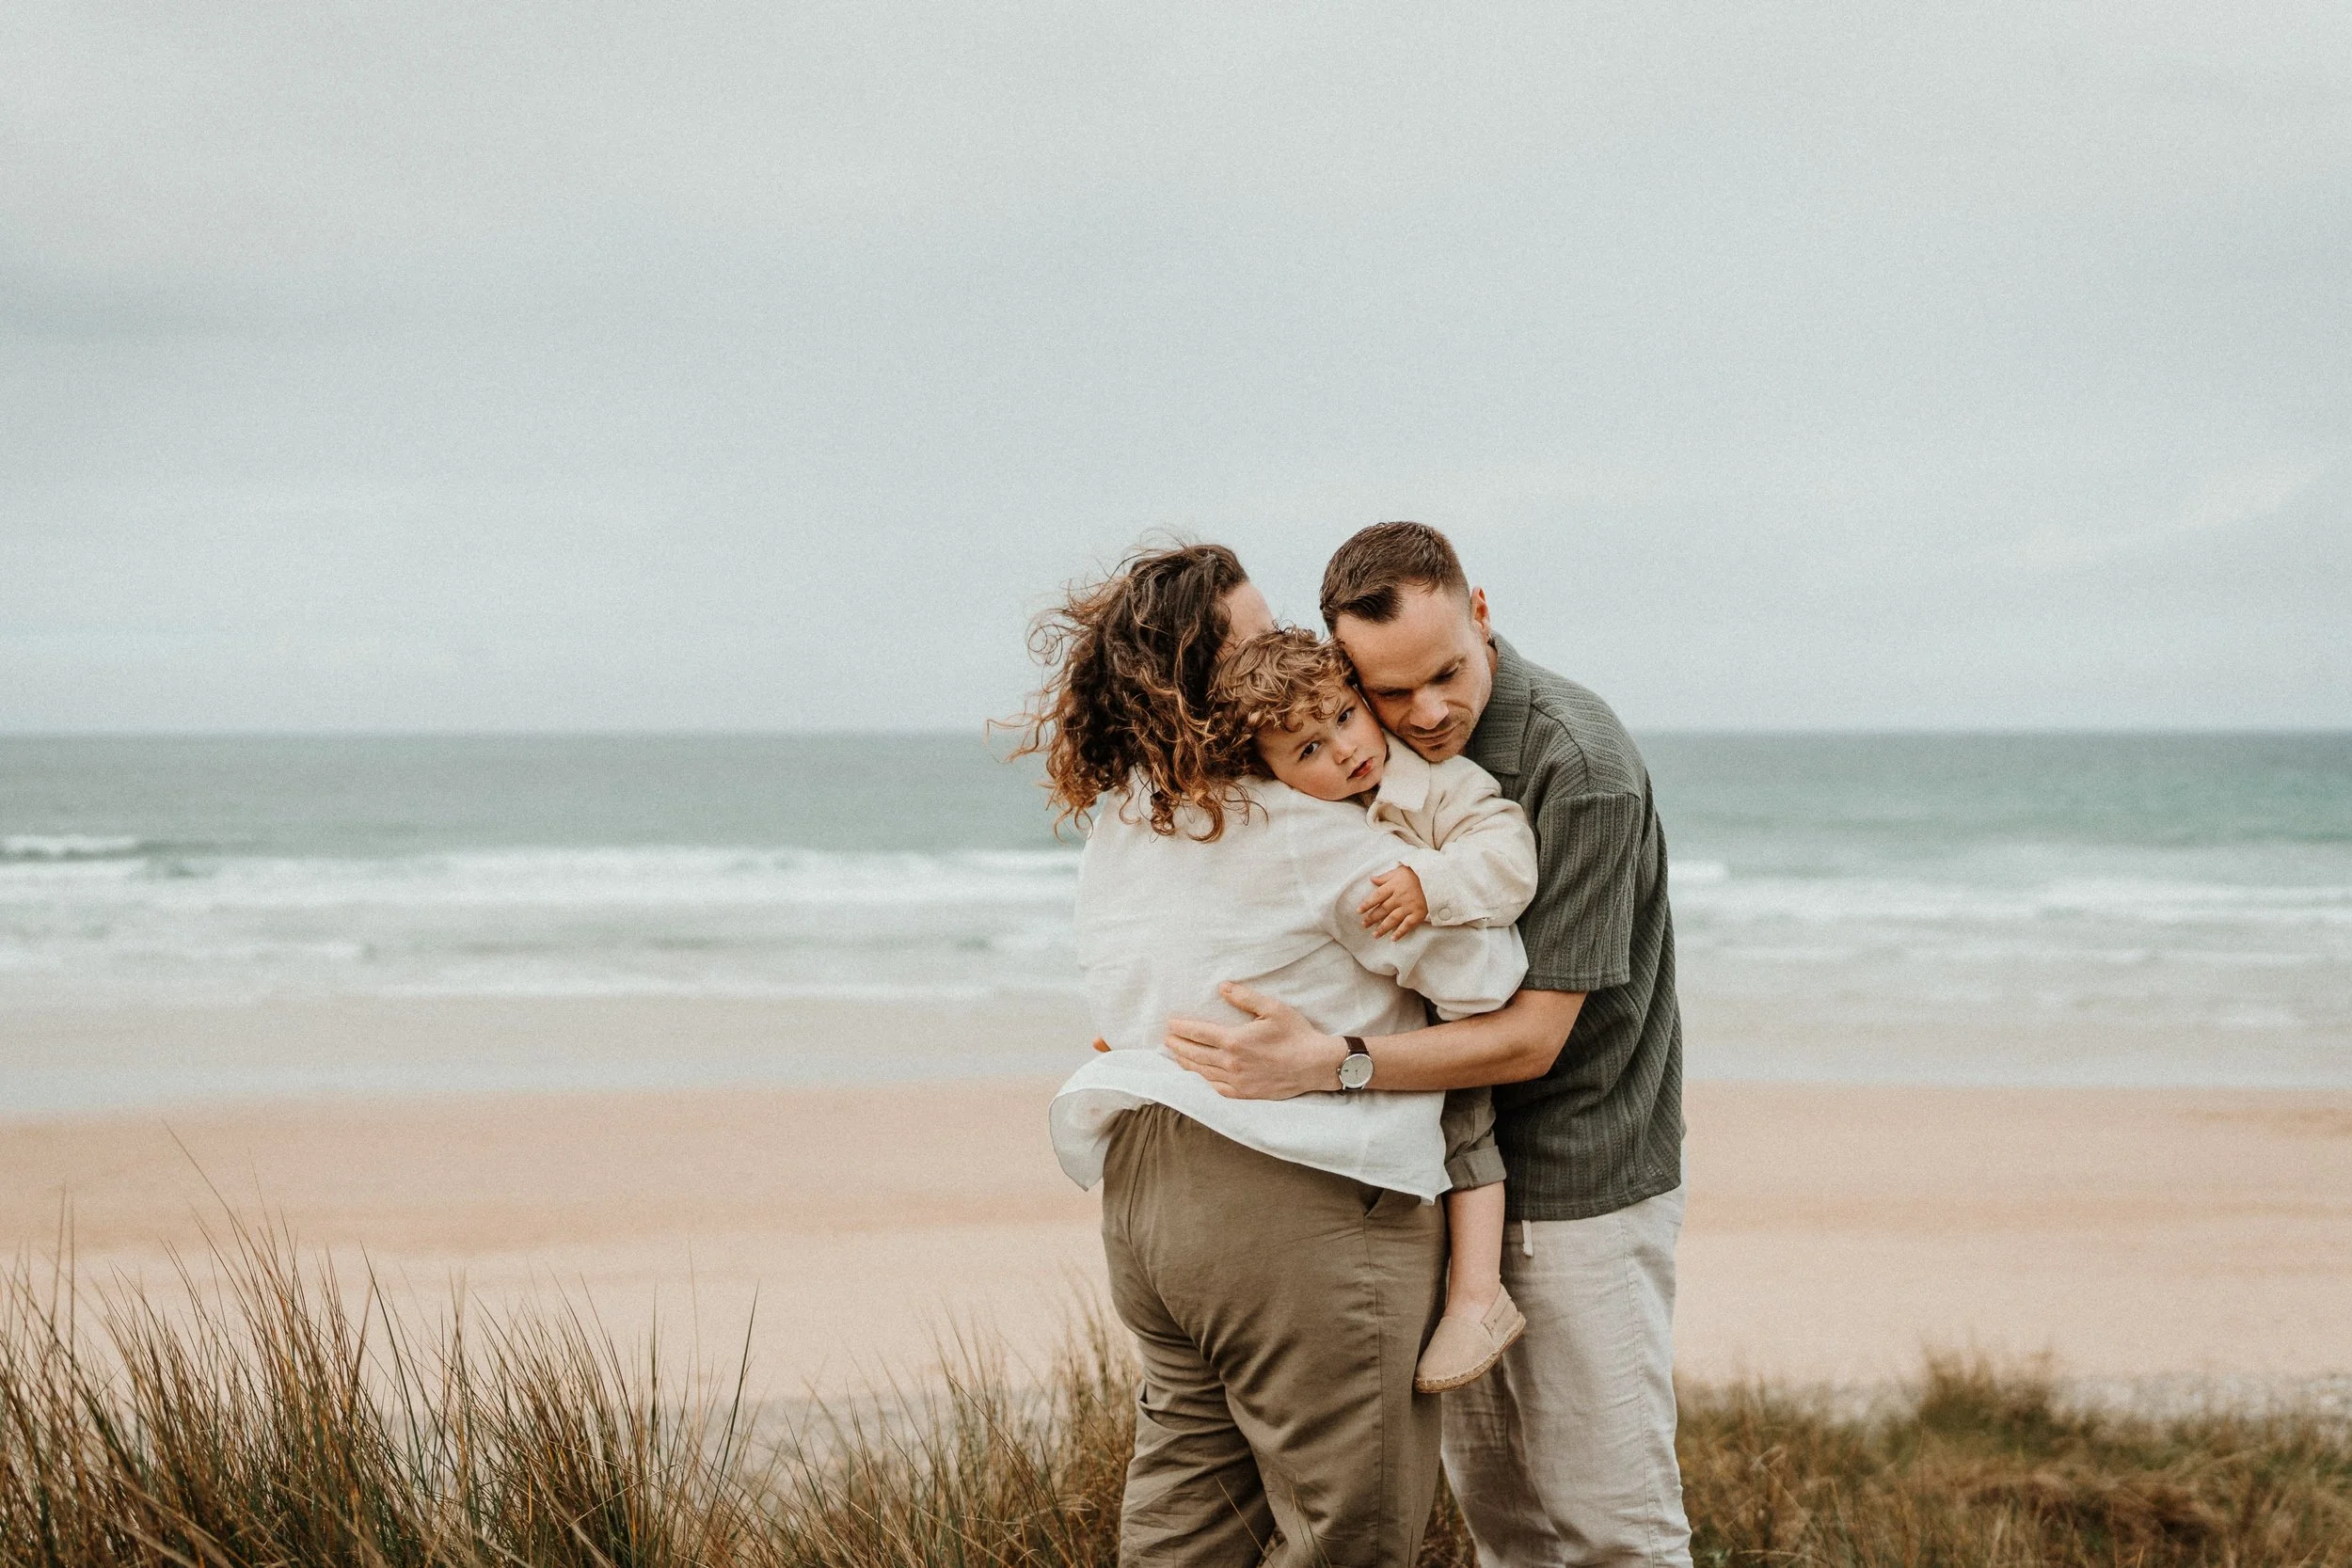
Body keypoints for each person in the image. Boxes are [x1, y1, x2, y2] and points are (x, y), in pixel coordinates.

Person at [1166, 521, 1692, 1568]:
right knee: (1507, 1529)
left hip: (1577, 1177)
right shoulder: (1357, 741)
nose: (1426, 713)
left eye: (1446, 673)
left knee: (1611, 1532)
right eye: (1390, 692)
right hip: (1440, 1185)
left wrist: (1329, 1061)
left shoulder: (1575, 765)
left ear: (1481, 612)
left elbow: (1533, 1038)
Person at [1023, 542, 1525, 1567]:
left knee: (1182, 1530)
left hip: (1148, 1197)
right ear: (1209, 686)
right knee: (1353, 1534)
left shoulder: (1127, 814)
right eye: (1257, 639)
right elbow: (1484, 979)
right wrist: (1435, 867)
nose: (1300, 647)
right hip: (1294, 1199)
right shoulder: (1306, 825)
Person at [1211, 626, 1535, 1392]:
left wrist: (1433, 885)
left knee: (1467, 1131)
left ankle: (1478, 1297)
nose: (1344, 750)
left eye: (1343, 719)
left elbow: (1508, 857)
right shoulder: (1311, 821)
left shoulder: (1442, 784)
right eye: (1308, 751)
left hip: (1457, 1012)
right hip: (1391, 1013)